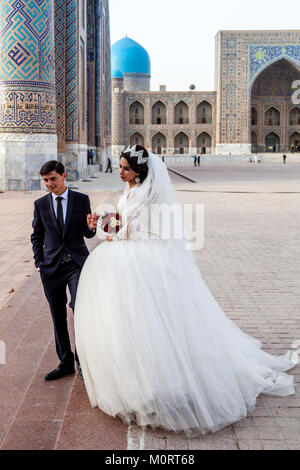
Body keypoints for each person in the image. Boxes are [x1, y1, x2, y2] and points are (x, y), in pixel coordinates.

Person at [74, 145, 297, 436]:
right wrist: (100, 222)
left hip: (142, 262)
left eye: (126, 168)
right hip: (125, 259)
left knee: (153, 326)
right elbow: (118, 223)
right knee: (131, 325)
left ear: (139, 172)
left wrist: (108, 226)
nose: (121, 172)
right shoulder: (128, 192)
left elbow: (131, 229)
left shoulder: (148, 195)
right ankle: (140, 383)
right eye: (120, 166)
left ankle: (163, 384)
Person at [31, 161, 99, 381]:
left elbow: (87, 234)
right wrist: (39, 263)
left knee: (79, 308)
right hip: (51, 269)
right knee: (57, 315)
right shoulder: (40, 204)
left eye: (52, 178)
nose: (49, 183)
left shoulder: (81, 200)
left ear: (63, 176)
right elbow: (37, 236)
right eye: (46, 180)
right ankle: (65, 361)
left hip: (76, 265)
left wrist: (92, 226)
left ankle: (83, 359)